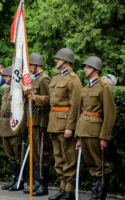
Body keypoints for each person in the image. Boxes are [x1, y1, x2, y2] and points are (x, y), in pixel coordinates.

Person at [28, 48, 82, 200]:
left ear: (66, 61)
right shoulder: (56, 78)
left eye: (59, 59)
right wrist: (36, 98)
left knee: (68, 158)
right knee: (58, 159)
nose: (56, 61)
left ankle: (69, 190)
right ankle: (62, 188)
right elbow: (50, 100)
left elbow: (75, 105)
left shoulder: (73, 80)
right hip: (54, 123)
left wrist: (70, 127)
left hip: (65, 124)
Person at [75, 56, 116, 200]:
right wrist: (79, 136)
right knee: (92, 165)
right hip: (84, 131)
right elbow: (81, 112)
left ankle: (99, 197)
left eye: (88, 67)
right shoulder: (85, 87)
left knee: (101, 165)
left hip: (95, 132)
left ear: (96, 70)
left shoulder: (104, 88)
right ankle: (95, 195)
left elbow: (110, 114)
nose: (85, 69)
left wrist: (104, 137)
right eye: (85, 67)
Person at [23, 53, 51, 196]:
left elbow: (49, 100)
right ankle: (35, 183)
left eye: (30, 65)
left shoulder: (44, 80)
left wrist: (36, 98)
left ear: (36, 66)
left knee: (41, 154)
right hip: (32, 121)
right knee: (34, 154)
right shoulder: (33, 81)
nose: (28, 68)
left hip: (40, 121)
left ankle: (42, 185)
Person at [0, 66, 23, 191]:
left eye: (6, 76)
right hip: (4, 126)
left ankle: (19, 180)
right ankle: (13, 179)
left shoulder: (18, 91)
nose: (4, 78)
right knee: (10, 156)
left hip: (13, 127)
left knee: (17, 155)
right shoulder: (6, 90)